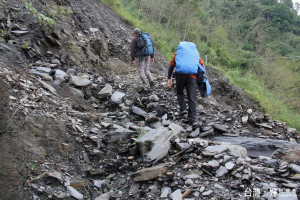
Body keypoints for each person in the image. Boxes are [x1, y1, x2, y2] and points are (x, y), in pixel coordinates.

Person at [167, 42, 204, 125]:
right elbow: (201, 64)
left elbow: (171, 65)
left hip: (180, 76)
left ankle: (183, 108)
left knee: (179, 92)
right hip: (192, 77)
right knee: (192, 97)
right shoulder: (194, 54)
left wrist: (169, 78)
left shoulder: (178, 54)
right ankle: (192, 119)